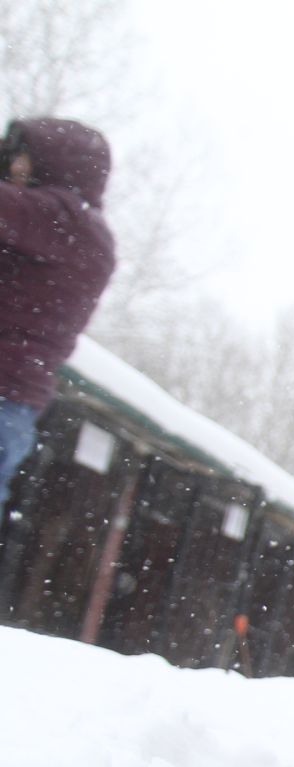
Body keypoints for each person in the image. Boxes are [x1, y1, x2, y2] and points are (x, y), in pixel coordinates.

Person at [0, 117, 115, 511]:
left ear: (53, 163)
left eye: (23, 158)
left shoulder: (61, 216)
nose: (15, 168)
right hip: (16, 398)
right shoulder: (84, 234)